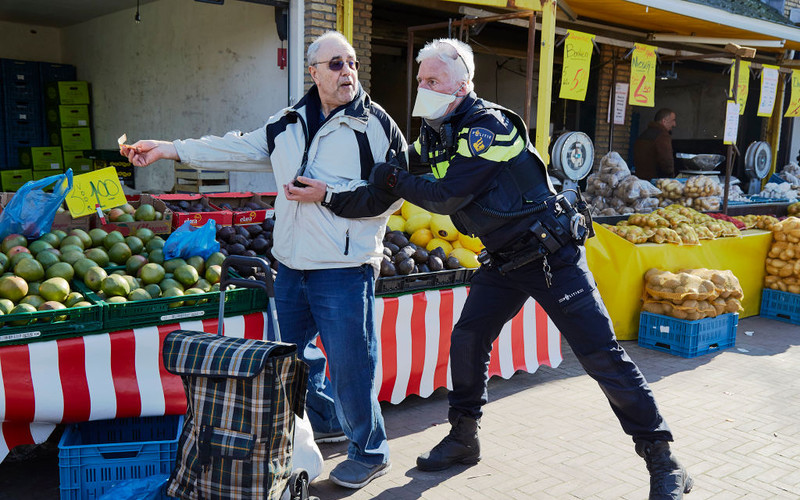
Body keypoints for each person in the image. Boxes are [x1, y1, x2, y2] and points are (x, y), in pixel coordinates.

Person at [320, 39, 693, 499]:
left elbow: (443, 197)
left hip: (551, 257)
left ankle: (663, 460)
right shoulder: (436, 134)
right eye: (421, 80)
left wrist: (389, 176)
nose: (423, 88)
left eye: (432, 81)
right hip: (504, 261)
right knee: (468, 338)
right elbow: (394, 180)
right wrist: (331, 196)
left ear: (462, 84)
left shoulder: (488, 128)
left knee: (600, 355)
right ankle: (463, 436)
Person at [122, 30, 404, 490]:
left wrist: (327, 194)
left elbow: (394, 193)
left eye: (351, 62)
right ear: (313, 72)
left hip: (345, 269)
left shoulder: (375, 125)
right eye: (335, 64)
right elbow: (232, 145)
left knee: (353, 364)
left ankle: (369, 451)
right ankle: (327, 420)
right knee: (291, 361)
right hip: (292, 266)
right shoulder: (286, 123)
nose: (347, 72)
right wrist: (168, 148)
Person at [633, 108, 677, 180]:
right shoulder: (662, 136)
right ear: (664, 121)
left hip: (641, 180)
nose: (674, 124)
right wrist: (671, 178)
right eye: (673, 120)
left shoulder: (644, 134)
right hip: (656, 181)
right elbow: (667, 162)